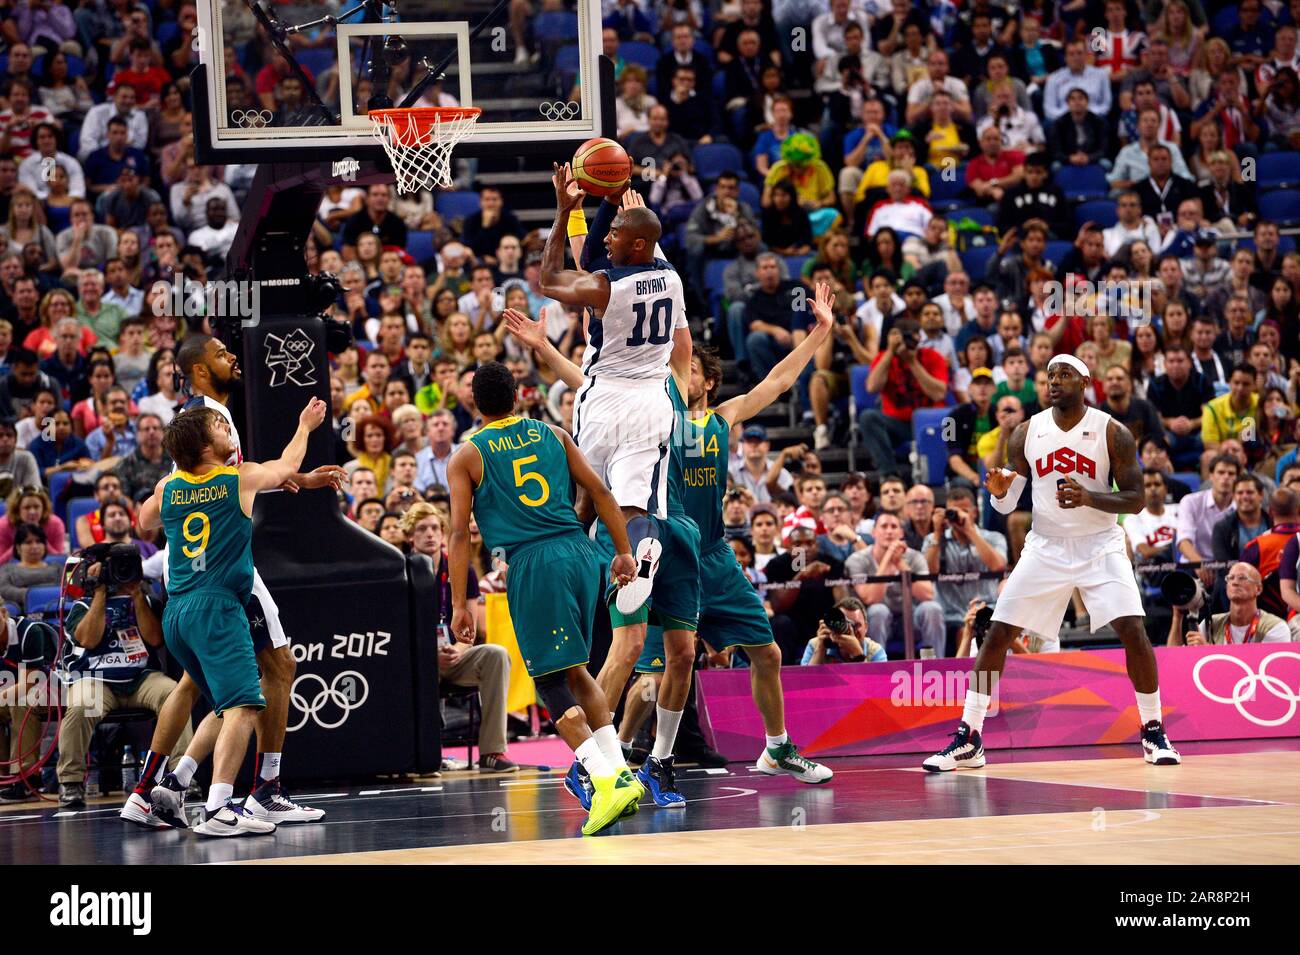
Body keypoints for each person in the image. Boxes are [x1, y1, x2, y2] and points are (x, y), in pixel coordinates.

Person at [120, 336, 343, 830]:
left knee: (199, 683)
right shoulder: (201, 419)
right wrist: (303, 432)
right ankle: (253, 793)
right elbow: (255, 473)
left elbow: (148, 513)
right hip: (221, 577)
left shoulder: (203, 436)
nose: (233, 358)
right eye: (221, 354)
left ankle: (161, 785)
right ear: (198, 370)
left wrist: (293, 479)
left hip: (183, 592)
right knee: (269, 675)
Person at [924, 354, 1180, 771]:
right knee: (997, 633)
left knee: (1133, 628)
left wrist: (1090, 497)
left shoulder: (1112, 432)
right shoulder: (1026, 432)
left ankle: (1153, 730)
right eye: (1050, 377)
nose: (1054, 382)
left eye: (1064, 375)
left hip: (1099, 544)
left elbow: (1134, 499)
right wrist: (998, 491)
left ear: (1084, 381)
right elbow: (1007, 504)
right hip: (1045, 546)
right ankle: (969, 737)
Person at [445, 361, 643, 835]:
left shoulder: (467, 456)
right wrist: (621, 551)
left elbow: (456, 535)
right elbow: (599, 491)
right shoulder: (554, 434)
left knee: (548, 681)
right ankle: (620, 773)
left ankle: (602, 780)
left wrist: (458, 604)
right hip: (580, 552)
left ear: (474, 405)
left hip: (535, 563)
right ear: (518, 396)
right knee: (576, 670)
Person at [538, 165, 692, 616]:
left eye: (617, 234)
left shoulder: (608, 289)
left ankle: (568, 581)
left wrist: (565, 211)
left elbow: (551, 279)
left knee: (587, 495)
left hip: (604, 397)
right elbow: (641, 252)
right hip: (652, 400)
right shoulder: (672, 279)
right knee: (632, 504)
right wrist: (619, 211)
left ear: (638, 243)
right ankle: (640, 556)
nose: (608, 239)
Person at [55, 539, 193, 810]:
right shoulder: (82, 606)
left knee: (174, 694)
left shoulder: (146, 600)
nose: (120, 571)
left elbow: (155, 639)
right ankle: (70, 783)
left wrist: (137, 595)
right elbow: (88, 640)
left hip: (141, 677)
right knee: (81, 705)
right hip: (96, 679)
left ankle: (181, 776)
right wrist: (100, 593)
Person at [402, 502, 514, 772]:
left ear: (443, 533)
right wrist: (429, 654)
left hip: (453, 656)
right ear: (409, 536)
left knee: (496, 655)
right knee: (413, 666)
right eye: (421, 529)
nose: (430, 534)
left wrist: (459, 650)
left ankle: (491, 752)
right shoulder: (400, 571)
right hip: (417, 660)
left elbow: (469, 633)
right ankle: (424, 752)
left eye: (435, 528)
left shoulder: (463, 570)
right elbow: (399, 634)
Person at [859, 318, 949, 476]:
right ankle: (889, 475)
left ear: (919, 337)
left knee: (951, 424)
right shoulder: (884, 357)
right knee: (868, 418)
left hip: (928, 423)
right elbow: (872, 387)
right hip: (897, 423)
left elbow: (939, 393)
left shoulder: (933, 357)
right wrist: (889, 352)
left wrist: (913, 362)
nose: (907, 341)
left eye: (911, 336)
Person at [1169, 562, 1292, 644]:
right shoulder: (1210, 624)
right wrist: (1177, 618)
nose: (1235, 582)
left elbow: (1263, 670)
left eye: (1242, 578)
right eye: (1230, 578)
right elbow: (1173, 661)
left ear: (1258, 589)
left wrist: (1207, 653)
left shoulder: (1275, 626)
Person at [802, 596, 887, 663]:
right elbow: (805, 684)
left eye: (856, 625)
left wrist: (858, 655)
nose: (851, 631)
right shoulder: (815, 645)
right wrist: (820, 648)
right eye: (844, 623)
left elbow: (876, 685)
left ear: (866, 628)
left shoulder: (875, 651)